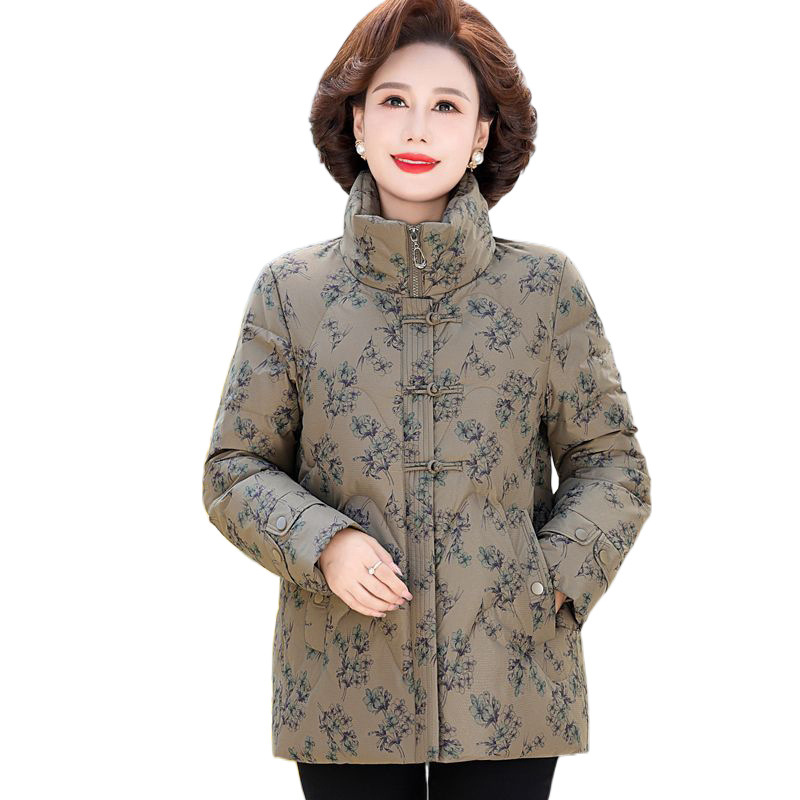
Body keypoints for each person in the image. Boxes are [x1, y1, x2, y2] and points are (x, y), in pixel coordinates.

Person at [201, 1, 652, 797]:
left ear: (481, 133)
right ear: (357, 122)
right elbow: (234, 469)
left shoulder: (543, 288)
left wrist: (544, 584)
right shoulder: (293, 291)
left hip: (509, 680)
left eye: (446, 106)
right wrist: (326, 544)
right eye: (393, 101)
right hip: (342, 681)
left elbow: (611, 466)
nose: (417, 129)